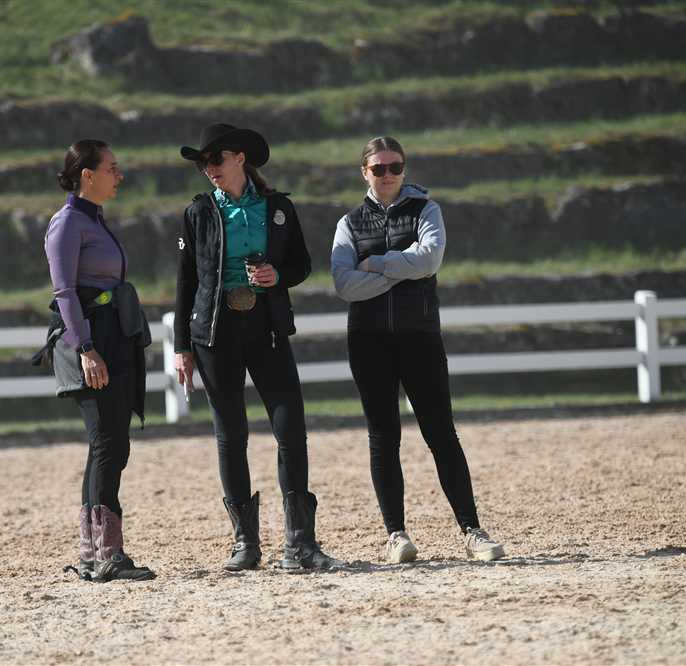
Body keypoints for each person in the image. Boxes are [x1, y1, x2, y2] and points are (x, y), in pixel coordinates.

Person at [173, 123, 341, 572]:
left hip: (267, 328)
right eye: (203, 164)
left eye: (215, 160)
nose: (208, 169)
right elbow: (186, 280)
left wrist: (276, 276)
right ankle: (245, 543)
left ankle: (300, 544)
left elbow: (301, 264)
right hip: (214, 333)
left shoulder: (279, 208)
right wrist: (181, 347)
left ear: (239, 158)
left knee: (291, 428)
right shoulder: (198, 212)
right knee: (231, 435)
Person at [330, 136, 505, 564]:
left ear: (404, 169)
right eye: (379, 168)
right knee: (383, 437)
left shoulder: (427, 211)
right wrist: (403, 266)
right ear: (365, 173)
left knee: (441, 433)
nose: (387, 174)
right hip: (368, 341)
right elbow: (345, 285)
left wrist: (376, 263)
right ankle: (396, 534)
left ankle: (472, 530)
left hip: (420, 336)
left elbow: (429, 261)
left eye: (395, 166)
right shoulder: (348, 223)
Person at [40, 139, 155, 582]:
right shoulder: (67, 223)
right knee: (109, 443)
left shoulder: (93, 219)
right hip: (93, 339)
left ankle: (95, 553)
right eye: (112, 168)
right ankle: (107, 554)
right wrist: (86, 349)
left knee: (107, 443)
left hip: (112, 334)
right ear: (87, 174)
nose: (119, 175)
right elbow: (64, 292)